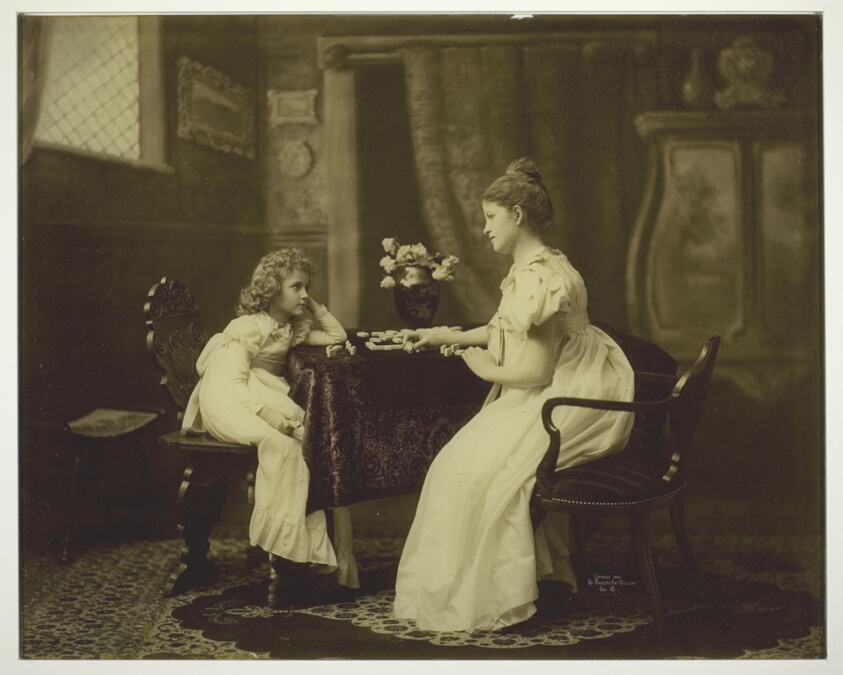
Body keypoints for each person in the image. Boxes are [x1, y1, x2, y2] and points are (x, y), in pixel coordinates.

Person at [393, 159, 635, 632]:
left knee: (464, 469)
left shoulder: (536, 277)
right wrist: (446, 336)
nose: (485, 229)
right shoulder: (543, 264)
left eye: (491, 217)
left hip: (566, 395)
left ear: (517, 215)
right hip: (574, 381)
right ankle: (533, 578)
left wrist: (487, 370)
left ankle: (504, 591)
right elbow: (504, 328)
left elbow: (536, 371)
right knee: (464, 464)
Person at [182, 248, 358, 602]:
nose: (304, 294)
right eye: (296, 287)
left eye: (307, 287)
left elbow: (336, 336)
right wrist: (268, 415)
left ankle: (298, 559)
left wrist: (312, 305)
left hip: (262, 391)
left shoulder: (291, 328)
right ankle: (282, 559)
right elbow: (233, 381)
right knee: (282, 445)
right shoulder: (249, 326)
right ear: (272, 290)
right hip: (229, 396)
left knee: (307, 444)